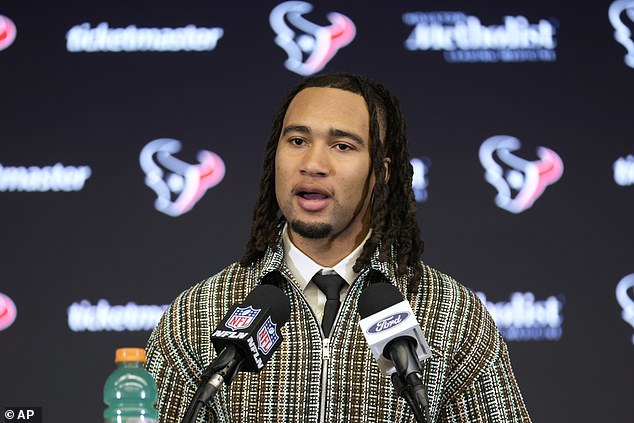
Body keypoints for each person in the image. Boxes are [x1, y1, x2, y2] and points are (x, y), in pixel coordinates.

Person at [145, 73, 532, 422]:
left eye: (342, 146)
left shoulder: (451, 315)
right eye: (297, 141)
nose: (313, 163)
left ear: (381, 172)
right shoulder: (196, 315)